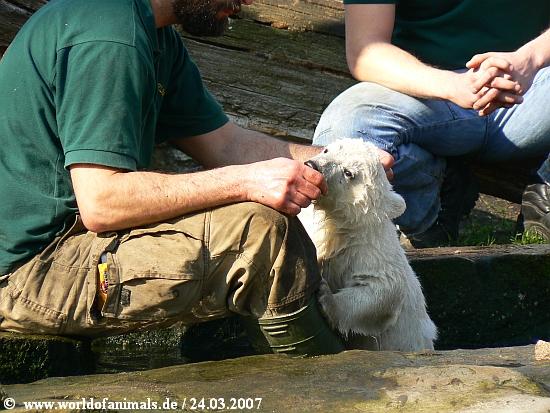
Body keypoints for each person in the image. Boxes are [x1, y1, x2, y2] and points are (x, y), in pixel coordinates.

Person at [0, 0, 393, 356]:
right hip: (30, 272)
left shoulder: (153, 35)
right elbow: (102, 202)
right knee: (260, 232)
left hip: (72, 245)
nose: (248, 2)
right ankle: (326, 385)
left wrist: (339, 158)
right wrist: (245, 182)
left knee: (263, 216)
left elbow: (227, 144)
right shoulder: (109, 36)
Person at [314, 1, 550, 247]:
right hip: (426, 87)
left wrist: (529, 59)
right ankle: (431, 210)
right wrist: (452, 85)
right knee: (343, 132)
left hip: (535, 85)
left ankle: (544, 201)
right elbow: (366, 52)